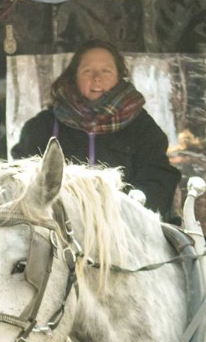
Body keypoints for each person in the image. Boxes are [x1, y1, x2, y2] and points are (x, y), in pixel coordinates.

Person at [11, 40, 181, 217]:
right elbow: (23, 181)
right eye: (87, 71)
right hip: (61, 231)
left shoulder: (143, 128)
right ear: (74, 77)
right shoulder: (42, 127)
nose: (97, 77)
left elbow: (158, 181)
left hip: (122, 231)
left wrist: (121, 210)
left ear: (118, 78)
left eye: (106, 71)